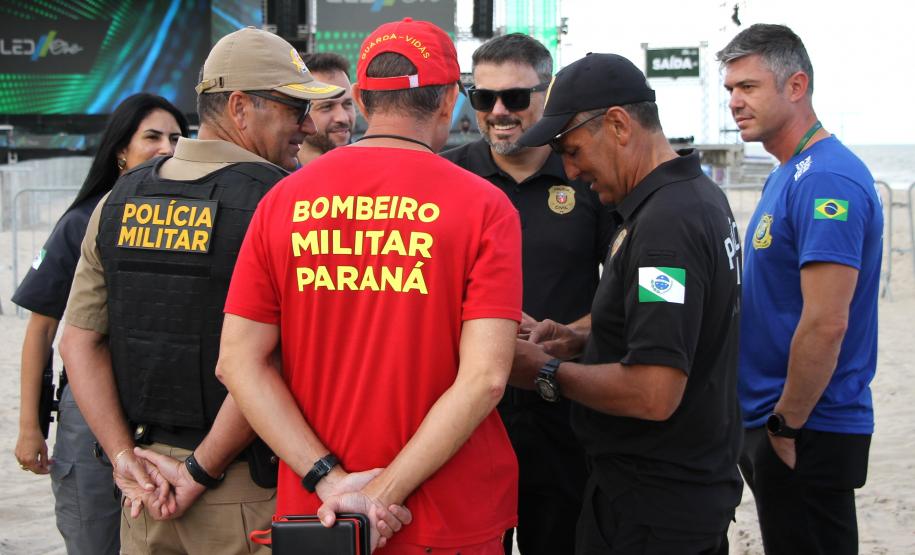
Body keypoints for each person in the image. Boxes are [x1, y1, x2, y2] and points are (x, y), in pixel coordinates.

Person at [217, 17, 522, 554]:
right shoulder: (484, 206)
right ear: (450, 98)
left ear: (359, 98)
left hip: (322, 517)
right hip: (447, 516)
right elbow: (486, 379)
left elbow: (237, 363)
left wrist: (330, 480)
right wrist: (381, 496)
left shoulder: (283, 203)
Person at [58, 27, 346, 554]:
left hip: (144, 492)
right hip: (242, 489)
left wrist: (124, 458)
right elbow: (270, 361)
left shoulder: (121, 198)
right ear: (240, 107)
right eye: (293, 110)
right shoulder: (287, 205)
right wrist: (200, 468)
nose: (307, 126)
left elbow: (78, 341)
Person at [510, 53, 744, 554]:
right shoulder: (693, 196)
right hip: (676, 487)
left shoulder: (666, 227)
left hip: (655, 503)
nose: (571, 172)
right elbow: (675, 320)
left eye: (572, 151)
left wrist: (546, 372)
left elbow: (654, 391)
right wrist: (577, 338)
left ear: (617, 124)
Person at [441, 33, 614, 555]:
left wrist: (571, 336)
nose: (498, 111)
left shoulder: (587, 175)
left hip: (562, 411)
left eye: (515, 97)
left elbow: (628, 293)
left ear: (548, 92)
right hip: (465, 415)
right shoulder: (447, 175)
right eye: (482, 97)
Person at [718, 24, 882, 555]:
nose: (735, 102)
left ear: (796, 86)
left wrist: (785, 425)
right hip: (775, 417)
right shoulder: (788, 172)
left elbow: (827, 321)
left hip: (808, 423)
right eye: (730, 90)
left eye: (749, 87)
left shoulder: (826, 179)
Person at [12, 93, 188, 555]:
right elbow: (41, 331)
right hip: (88, 410)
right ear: (120, 151)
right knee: (93, 534)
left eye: (175, 137)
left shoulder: (189, 220)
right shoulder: (80, 223)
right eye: (151, 137)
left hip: (164, 411)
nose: (166, 147)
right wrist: (30, 425)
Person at [296, 52, 357, 166]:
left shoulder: (372, 169)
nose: (342, 118)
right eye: (327, 107)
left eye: (347, 104)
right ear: (298, 111)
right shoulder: (275, 179)